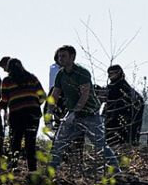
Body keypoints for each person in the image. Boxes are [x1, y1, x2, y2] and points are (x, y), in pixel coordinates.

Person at [47, 45, 120, 173]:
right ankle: (50, 172)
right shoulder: (60, 75)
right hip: (72, 115)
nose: (60, 59)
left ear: (72, 57)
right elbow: (55, 94)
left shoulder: (82, 73)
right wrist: (49, 112)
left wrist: (74, 113)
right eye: (59, 56)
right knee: (59, 143)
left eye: (64, 56)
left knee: (100, 145)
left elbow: (84, 95)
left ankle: (116, 171)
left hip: (90, 114)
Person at [0, 59, 45, 172]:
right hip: (33, 114)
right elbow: (43, 96)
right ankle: (32, 170)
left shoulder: (7, 81)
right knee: (31, 142)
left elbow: (4, 102)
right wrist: (34, 103)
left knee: (16, 141)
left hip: (16, 115)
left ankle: (14, 166)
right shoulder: (32, 78)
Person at [104, 64, 145, 145]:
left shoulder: (125, 88)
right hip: (112, 121)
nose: (110, 76)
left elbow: (138, 103)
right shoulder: (111, 87)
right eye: (109, 74)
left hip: (124, 122)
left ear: (118, 73)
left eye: (112, 74)